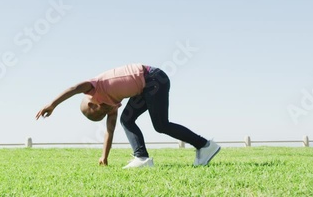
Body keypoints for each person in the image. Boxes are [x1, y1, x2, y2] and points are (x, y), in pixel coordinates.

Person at [35, 64, 220, 168]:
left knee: (161, 125)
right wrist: (104, 156)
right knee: (126, 120)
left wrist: (52, 104)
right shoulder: (110, 104)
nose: (108, 113)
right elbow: (110, 131)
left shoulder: (94, 86)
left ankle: (204, 145)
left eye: (102, 113)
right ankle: (142, 158)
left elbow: (74, 89)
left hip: (152, 79)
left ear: (93, 104)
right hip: (145, 86)